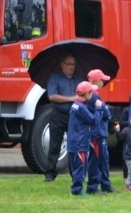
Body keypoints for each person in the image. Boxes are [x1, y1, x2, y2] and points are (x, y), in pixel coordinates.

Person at [44, 54, 83, 182]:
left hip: (74, 116)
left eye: (73, 64)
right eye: (68, 64)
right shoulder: (55, 78)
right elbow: (52, 96)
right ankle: (50, 174)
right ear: (62, 64)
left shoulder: (79, 79)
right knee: (55, 144)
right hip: (58, 115)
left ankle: (75, 173)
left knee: (73, 145)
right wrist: (70, 98)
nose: (71, 67)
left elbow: (84, 96)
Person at [67, 81, 101, 196]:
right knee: (80, 167)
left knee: (76, 166)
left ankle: (76, 187)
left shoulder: (75, 104)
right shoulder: (81, 108)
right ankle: (77, 189)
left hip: (73, 142)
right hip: (80, 142)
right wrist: (98, 108)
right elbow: (93, 120)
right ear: (87, 94)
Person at [85, 69, 115, 194]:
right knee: (97, 160)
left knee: (101, 159)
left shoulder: (93, 94)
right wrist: (106, 110)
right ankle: (93, 186)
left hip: (98, 133)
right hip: (97, 133)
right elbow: (106, 114)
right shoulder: (94, 96)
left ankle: (105, 185)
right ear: (96, 81)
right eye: (102, 80)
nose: (104, 83)